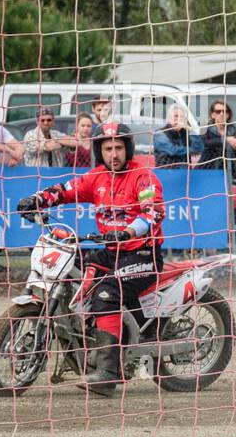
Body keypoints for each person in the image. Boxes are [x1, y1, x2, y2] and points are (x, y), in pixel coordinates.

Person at [17, 122, 165, 396]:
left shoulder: (142, 176)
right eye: (108, 148)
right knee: (76, 278)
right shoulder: (96, 176)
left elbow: (153, 212)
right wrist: (37, 199)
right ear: (100, 150)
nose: (114, 154)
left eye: (119, 147)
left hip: (143, 253)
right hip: (110, 251)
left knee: (106, 293)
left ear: (128, 148)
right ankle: (93, 343)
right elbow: (65, 190)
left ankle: (108, 374)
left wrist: (131, 230)